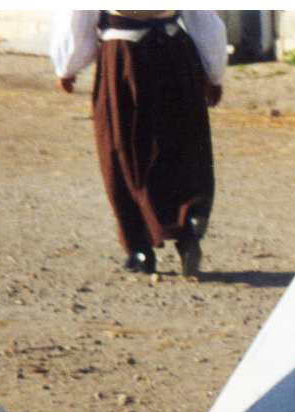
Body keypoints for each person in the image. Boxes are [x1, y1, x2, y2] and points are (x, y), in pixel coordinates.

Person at [50, 11, 226, 277]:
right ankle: (188, 222)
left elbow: (79, 16)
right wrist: (214, 72)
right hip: (174, 52)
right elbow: (203, 18)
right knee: (182, 143)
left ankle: (140, 249)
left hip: (124, 58)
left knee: (122, 150)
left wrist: (67, 67)